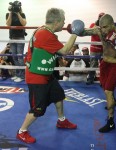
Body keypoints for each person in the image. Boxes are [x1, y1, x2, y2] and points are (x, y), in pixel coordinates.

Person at [16, 8, 85, 144]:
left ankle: (61, 120)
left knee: (58, 95)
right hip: (37, 77)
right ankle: (22, 131)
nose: (64, 24)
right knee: (38, 109)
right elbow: (64, 51)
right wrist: (75, 33)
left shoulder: (43, 30)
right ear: (57, 22)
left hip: (46, 74)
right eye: (63, 21)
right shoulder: (45, 35)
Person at [81, 14, 116, 132]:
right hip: (104, 63)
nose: (103, 30)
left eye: (105, 27)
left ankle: (111, 121)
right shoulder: (99, 30)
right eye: (101, 27)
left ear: (112, 25)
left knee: (108, 91)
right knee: (104, 86)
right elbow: (84, 32)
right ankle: (113, 100)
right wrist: (74, 29)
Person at [6, 0, 27, 82]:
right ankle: (18, 74)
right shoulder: (8, 14)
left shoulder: (22, 14)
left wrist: (18, 13)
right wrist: (11, 13)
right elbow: (8, 24)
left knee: (20, 57)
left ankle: (22, 76)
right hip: (12, 38)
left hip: (20, 38)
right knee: (14, 57)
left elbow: (24, 23)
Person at [86, 12, 105, 85]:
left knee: (103, 66)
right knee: (93, 65)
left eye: (102, 17)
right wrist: (96, 26)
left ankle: (102, 81)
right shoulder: (93, 25)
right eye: (100, 17)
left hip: (103, 49)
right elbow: (89, 32)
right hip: (94, 49)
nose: (101, 19)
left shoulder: (106, 27)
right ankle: (90, 79)